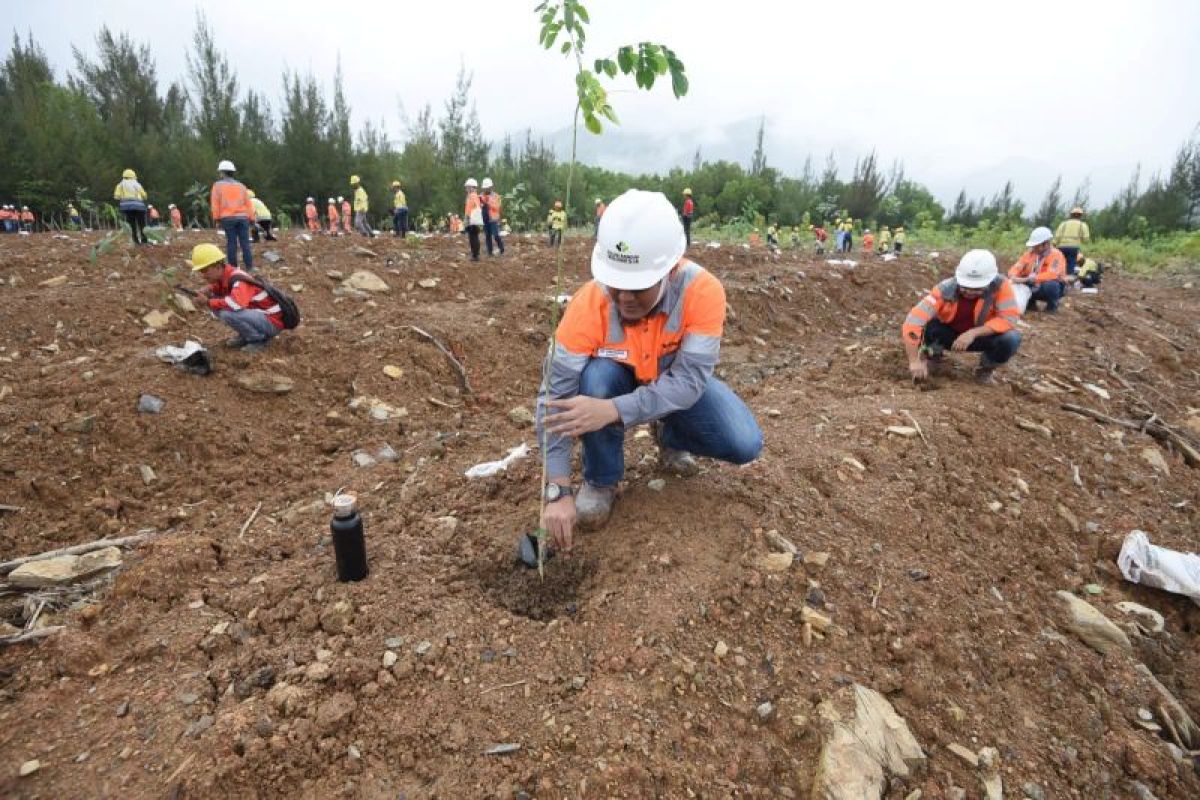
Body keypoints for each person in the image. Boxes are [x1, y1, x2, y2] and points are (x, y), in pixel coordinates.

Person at [533, 189, 763, 554]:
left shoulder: (702, 292)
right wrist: (557, 490)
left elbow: (689, 382)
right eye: (616, 284)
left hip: (672, 382)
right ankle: (601, 479)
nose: (624, 297)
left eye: (637, 287)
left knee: (743, 442)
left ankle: (671, 436)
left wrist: (612, 411)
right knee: (595, 380)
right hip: (616, 378)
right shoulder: (587, 306)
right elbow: (554, 400)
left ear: (668, 270)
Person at [903, 249, 1022, 385]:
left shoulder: (1001, 286)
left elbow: (1009, 319)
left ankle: (985, 369)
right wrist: (914, 361)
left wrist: (973, 333)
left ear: (990, 281)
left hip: (981, 336)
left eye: (977, 288)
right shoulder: (945, 289)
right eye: (965, 287)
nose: (970, 292)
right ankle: (932, 356)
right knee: (930, 326)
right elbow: (913, 321)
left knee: (1011, 338)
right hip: (948, 334)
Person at [189, 243, 283, 353]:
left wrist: (207, 301)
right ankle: (246, 335)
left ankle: (258, 339)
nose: (203, 275)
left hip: (272, 322)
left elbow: (236, 304)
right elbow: (219, 288)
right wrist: (208, 290)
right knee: (218, 305)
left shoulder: (238, 280)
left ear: (218, 267)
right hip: (262, 316)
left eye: (205, 271)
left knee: (227, 313)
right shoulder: (225, 275)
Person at [210, 160, 255, 271]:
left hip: (227, 218)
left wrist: (216, 218)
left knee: (231, 242)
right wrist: (252, 218)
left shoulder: (217, 186)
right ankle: (249, 267)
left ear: (222, 172)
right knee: (245, 242)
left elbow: (215, 203)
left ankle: (233, 268)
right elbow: (248, 203)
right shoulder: (241, 186)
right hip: (243, 218)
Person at [1010, 226, 1067, 313]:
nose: (1034, 248)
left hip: (1048, 286)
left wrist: (1029, 279)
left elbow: (1052, 274)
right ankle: (1030, 304)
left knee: (1051, 285)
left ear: (1046, 244)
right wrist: (1013, 276)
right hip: (1032, 284)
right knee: (1014, 284)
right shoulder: (1030, 254)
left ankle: (1052, 306)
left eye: (1036, 246)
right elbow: (1016, 267)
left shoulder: (1056, 255)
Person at [113, 168, 149, 245]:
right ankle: (144, 240)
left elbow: (116, 196)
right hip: (139, 206)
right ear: (134, 176)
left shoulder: (120, 185)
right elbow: (145, 196)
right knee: (142, 223)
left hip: (127, 208)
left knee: (131, 224)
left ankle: (135, 241)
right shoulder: (137, 184)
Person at [1055, 206, 1091, 275]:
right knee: (1071, 265)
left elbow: (1057, 237)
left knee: (1061, 264)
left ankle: (1059, 278)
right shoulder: (1082, 225)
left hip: (1061, 247)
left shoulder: (1063, 224)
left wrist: (1054, 245)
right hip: (1073, 248)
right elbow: (1086, 239)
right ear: (1080, 216)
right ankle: (1069, 280)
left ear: (1071, 215)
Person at [480, 177, 504, 256]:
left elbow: (497, 207)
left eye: (487, 188)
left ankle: (501, 248)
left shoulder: (496, 196)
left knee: (496, 235)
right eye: (484, 188)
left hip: (493, 219)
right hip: (485, 219)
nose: (486, 189)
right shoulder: (481, 196)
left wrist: (488, 203)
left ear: (491, 187)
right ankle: (489, 252)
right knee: (488, 236)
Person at [463, 178, 483, 261]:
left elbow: (474, 208)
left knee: (473, 238)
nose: (466, 189)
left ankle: (475, 255)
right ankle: (475, 254)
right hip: (473, 219)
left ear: (472, 187)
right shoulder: (472, 196)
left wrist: (468, 218)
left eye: (467, 187)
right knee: (474, 237)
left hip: (472, 219)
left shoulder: (472, 196)